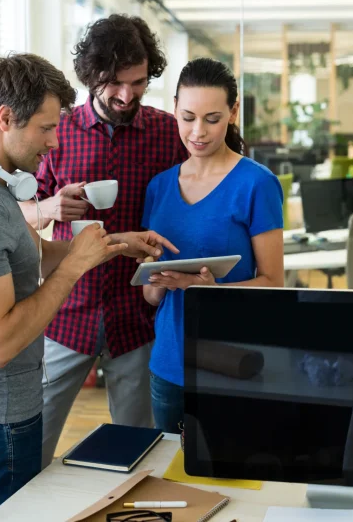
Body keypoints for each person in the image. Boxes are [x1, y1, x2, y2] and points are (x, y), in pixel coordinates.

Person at [0, 53, 173, 522]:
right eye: (45, 128)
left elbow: (31, 257)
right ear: (4, 119)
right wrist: (75, 268)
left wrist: (114, 243)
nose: (55, 142)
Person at [20, 14, 187, 467]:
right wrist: (47, 208)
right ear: (90, 76)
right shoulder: (56, 132)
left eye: (137, 83)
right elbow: (12, 211)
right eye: (114, 83)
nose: (126, 95)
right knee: (31, 442)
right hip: (65, 308)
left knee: (135, 452)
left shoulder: (167, 132)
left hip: (137, 313)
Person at [142, 57, 285, 434]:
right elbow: (151, 298)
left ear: (233, 112)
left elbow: (273, 284)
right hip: (168, 364)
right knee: (170, 480)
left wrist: (213, 292)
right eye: (187, 117)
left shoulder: (256, 184)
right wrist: (156, 282)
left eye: (212, 118)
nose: (198, 132)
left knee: (230, 479)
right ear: (173, 109)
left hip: (229, 364)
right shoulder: (158, 187)